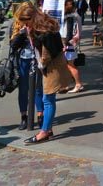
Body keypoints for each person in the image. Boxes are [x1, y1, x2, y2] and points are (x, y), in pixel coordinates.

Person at [24, 10, 73, 145]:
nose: (25, 26)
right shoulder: (48, 30)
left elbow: (45, 56)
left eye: (26, 23)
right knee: (48, 99)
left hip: (52, 68)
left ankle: (44, 132)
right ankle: (47, 129)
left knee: (48, 99)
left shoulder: (43, 34)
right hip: (55, 66)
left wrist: (30, 36)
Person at [10, 2, 44, 130]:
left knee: (38, 89)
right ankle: (24, 117)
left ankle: (40, 114)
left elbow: (42, 42)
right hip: (23, 60)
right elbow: (13, 45)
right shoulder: (18, 26)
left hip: (37, 60)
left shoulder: (38, 25)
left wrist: (33, 33)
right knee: (23, 89)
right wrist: (22, 34)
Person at [61, 0, 83, 93]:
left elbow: (69, 32)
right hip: (72, 42)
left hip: (69, 42)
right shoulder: (76, 16)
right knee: (67, 64)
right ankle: (67, 84)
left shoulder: (71, 17)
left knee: (70, 65)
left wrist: (65, 44)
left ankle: (78, 84)